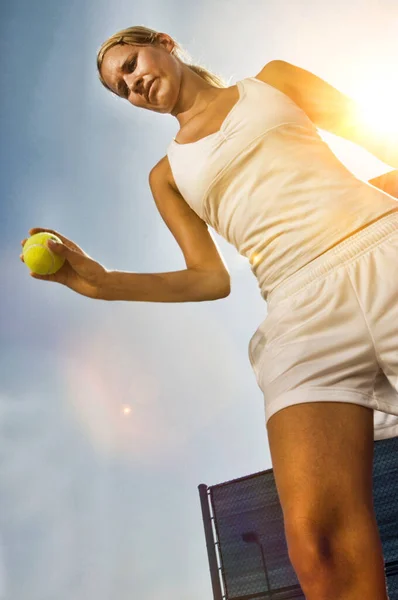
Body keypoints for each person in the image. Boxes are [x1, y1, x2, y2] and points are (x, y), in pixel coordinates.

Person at [19, 25, 398, 599]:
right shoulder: (167, 176)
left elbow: (381, 139)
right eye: (122, 87)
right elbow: (209, 279)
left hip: (382, 245)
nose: (133, 83)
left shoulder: (274, 82)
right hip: (298, 311)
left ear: (164, 44)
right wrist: (100, 283)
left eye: (131, 62)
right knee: (317, 545)